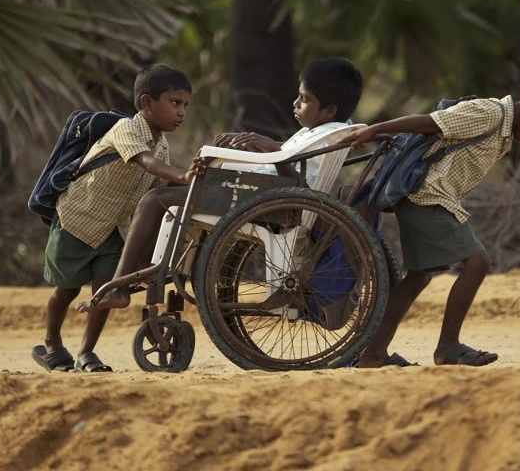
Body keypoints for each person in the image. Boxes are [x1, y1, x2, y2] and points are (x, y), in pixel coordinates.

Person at [77, 57, 365, 314]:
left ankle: (122, 283)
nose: (295, 103)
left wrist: (266, 148)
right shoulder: (333, 128)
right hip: (269, 195)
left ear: (328, 110)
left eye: (303, 99)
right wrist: (261, 143)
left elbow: (297, 179)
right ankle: (153, 269)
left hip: (271, 200)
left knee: (156, 199)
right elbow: (300, 158)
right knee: (174, 195)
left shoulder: (324, 131)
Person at [341, 86, 520, 368]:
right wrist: (376, 129)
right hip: (427, 196)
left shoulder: (502, 127)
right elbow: (430, 122)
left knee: (419, 276)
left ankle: (373, 355)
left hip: (428, 197)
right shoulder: (489, 113)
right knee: (477, 263)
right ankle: (448, 347)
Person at [32, 64, 206, 374]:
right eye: (175, 103)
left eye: (185, 105)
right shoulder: (126, 130)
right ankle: (52, 343)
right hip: (78, 219)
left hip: (115, 229)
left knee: (106, 290)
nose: (181, 112)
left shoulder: (162, 144)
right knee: (66, 289)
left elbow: (158, 190)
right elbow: (145, 161)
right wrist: (182, 174)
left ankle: (86, 352)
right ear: (147, 103)